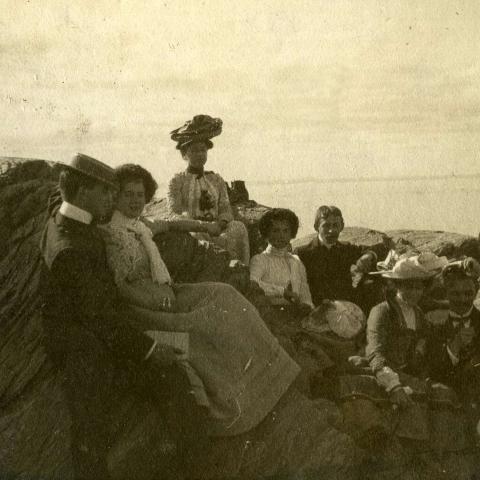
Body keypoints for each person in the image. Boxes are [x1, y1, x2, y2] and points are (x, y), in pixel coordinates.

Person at [102, 163, 362, 479]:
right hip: (146, 304)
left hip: (164, 291)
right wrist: (156, 298)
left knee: (224, 295)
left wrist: (204, 227)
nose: (134, 200)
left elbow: (172, 223)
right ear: (114, 196)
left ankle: (272, 370)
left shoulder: (140, 225)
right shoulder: (113, 233)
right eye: (128, 195)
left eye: (140, 194)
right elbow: (122, 286)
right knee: (210, 319)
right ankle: (235, 395)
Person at [39, 154, 204, 480]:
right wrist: (151, 349)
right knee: (171, 382)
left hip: (90, 330)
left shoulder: (64, 217)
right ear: (84, 192)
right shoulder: (71, 247)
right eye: (106, 194)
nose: (112, 201)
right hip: (85, 349)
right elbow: (102, 320)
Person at [167, 114, 250, 265]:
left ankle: (239, 270)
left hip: (218, 229)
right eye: (195, 151)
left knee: (238, 227)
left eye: (203, 150)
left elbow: (225, 208)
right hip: (194, 230)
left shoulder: (216, 180)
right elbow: (174, 213)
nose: (200, 155)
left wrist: (220, 224)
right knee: (196, 235)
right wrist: (200, 225)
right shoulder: (178, 180)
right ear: (185, 154)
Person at [294, 205, 378, 313]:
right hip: (316, 310)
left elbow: (378, 249)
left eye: (335, 225)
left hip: (346, 310)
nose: (331, 230)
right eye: (326, 225)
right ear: (316, 227)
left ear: (341, 227)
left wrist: (368, 256)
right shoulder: (302, 253)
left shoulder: (346, 249)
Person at [426, 259, 480, 404]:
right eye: (455, 294)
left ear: (476, 292)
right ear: (446, 293)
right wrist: (454, 347)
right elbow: (430, 370)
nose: (462, 300)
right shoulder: (431, 322)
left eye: (468, 293)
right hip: (443, 403)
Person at [250, 208, 313, 317]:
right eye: (275, 230)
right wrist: (282, 292)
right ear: (267, 233)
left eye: (285, 231)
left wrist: (307, 306)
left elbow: (305, 294)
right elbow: (253, 284)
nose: (281, 235)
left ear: (291, 233)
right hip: (268, 314)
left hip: (295, 315)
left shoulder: (296, 261)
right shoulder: (259, 259)